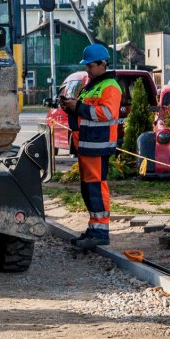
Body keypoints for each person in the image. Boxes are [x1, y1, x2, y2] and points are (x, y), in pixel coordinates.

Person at [61, 43, 122, 251]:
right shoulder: (93, 84)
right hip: (88, 145)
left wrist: (77, 106)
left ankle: (100, 232)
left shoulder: (110, 86)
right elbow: (86, 111)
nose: (87, 69)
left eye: (90, 65)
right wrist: (70, 107)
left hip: (97, 144)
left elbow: (107, 113)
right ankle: (94, 228)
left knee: (96, 187)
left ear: (102, 64)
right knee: (89, 189)